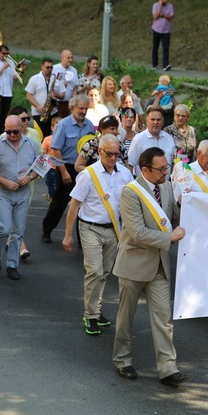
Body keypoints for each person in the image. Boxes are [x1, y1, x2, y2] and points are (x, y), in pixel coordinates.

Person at [112, 147, 188, 386]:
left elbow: (173, 217)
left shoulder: (165, 186)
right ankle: (122, 360)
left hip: (159, 266)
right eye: (161, 169)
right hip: (134, 264)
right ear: (145, 170)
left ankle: (168, 368)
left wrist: (186, 204)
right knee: (126, 317)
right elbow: (136, 233)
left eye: (167, 167)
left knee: (164, 318)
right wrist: (169, 238)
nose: (166, 172)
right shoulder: (130, 193)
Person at [64, 134, 133, 333]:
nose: (113, 158)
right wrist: (68, 234)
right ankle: (90, 315)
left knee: (103, 273)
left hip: (113, 230)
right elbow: (74, 205)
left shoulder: (125, 174)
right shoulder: (88, 174)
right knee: (94, 271)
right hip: (90, 228)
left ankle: (96, 309)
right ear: (100, 152)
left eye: (116, 154)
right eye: (109, 154)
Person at [0, 115, 40, 281]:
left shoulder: (30, 144)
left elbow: (39, 166)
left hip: (23, 192)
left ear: (22, 128)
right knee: (4, 228)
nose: (12, 135)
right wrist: (5, 182)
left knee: (18, 231)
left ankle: (12, 265)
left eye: (15, 131)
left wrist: (30, 177)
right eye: (8, 131)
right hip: (4, 192)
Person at [41, 95, 95, 243]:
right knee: (60, 202)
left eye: (86, 108)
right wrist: (64, 172)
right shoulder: (63, 125)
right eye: (81, 108)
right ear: (73, 108)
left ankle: (81, 238)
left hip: (84, 168)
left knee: (83, 203)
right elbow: (56, 149)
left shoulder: (90, 125)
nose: (83, 111)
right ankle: (47, 230)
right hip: (67, 166)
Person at [126, 107, 176, 175]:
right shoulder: (138, 139)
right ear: (147, 121)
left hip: (165, 183)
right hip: (144, 184)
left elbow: (173, 162)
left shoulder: (169, 139)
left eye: (158, 120)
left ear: (163, 121)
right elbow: (130, 164)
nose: (155, 122)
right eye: (152, 119)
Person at [25, 58, 58, 138]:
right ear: (42, 66)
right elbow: (28, 95)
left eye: (51, 67)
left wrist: (56, 95)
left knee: (54, 135)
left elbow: (62, 95)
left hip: (53, 112)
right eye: (47, 67)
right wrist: (38, 106)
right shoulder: (34, 79)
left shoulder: (55, 78)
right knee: (40, 135)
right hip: (39, 112)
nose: (49, 69)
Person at [151, 0, 174, 71]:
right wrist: (160, 6)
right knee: (155, 47)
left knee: (166, 48)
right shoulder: (155, 5)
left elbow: (171, 17)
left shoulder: (170, 6)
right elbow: (155, 16)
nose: (164, 0)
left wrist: (162, 15)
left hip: (166, 31)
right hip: (156, 29)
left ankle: (165, 64)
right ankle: (154, 64)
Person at [53, 50, 77, 117]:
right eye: (68, 58)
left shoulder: (74, 70)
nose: (70, 60)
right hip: (56, 103)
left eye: (72, 58)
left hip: (68, 103)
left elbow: (75, 88)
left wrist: (74, 101)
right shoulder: (54, 69)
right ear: (62, 58)